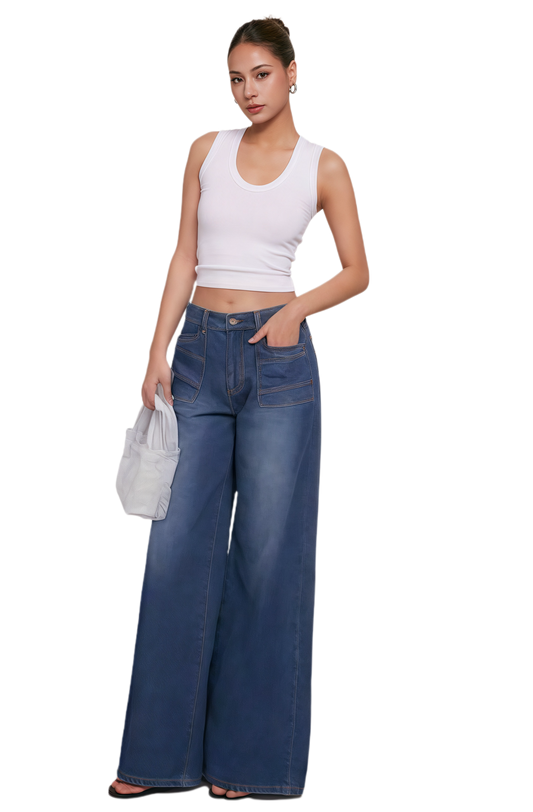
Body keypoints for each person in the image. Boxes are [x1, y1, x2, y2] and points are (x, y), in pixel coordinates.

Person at [107, 12, 370, 803]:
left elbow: (357, 269)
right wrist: (156, 349)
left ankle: (248, 767)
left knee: (267, 554)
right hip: (195, 356)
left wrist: (294, 311)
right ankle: (155, 762)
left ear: (291, 73)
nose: (248, 90)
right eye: (235, 78)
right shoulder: (204, 149)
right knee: (176, 548)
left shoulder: (325, 165)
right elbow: (184, 252)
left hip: (277, 364)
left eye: (261, 74)